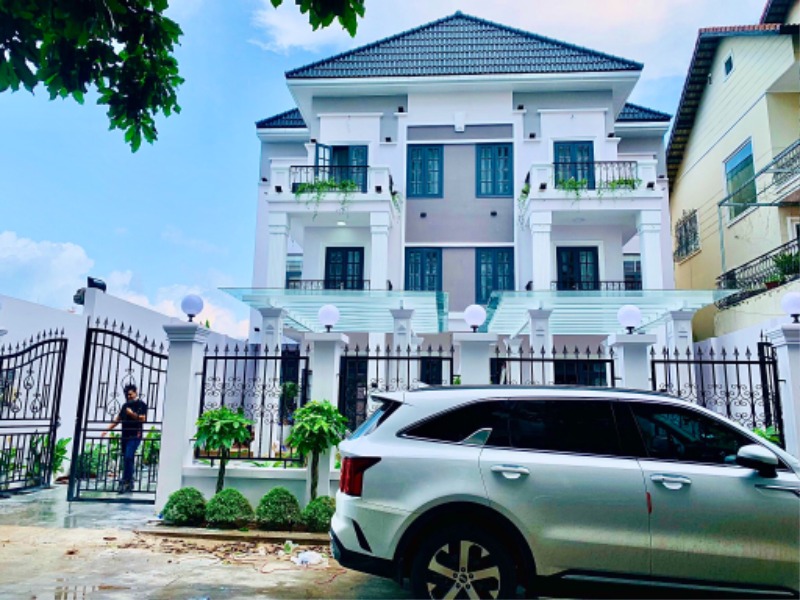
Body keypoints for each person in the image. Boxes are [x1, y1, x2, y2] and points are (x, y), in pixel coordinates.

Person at [101, 384, 147, 493]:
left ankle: (125, 481)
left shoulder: (141, 404)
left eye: (130, 394)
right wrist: (106, 430)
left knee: (128, 456)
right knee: (127, 458)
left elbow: (143, 419)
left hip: (135, 435)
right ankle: (129, 481)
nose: (129, 396)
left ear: (135, 392)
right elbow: (117, 420)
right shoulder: (125, 406)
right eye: (127, 395)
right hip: (125, 435)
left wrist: (132, 414)